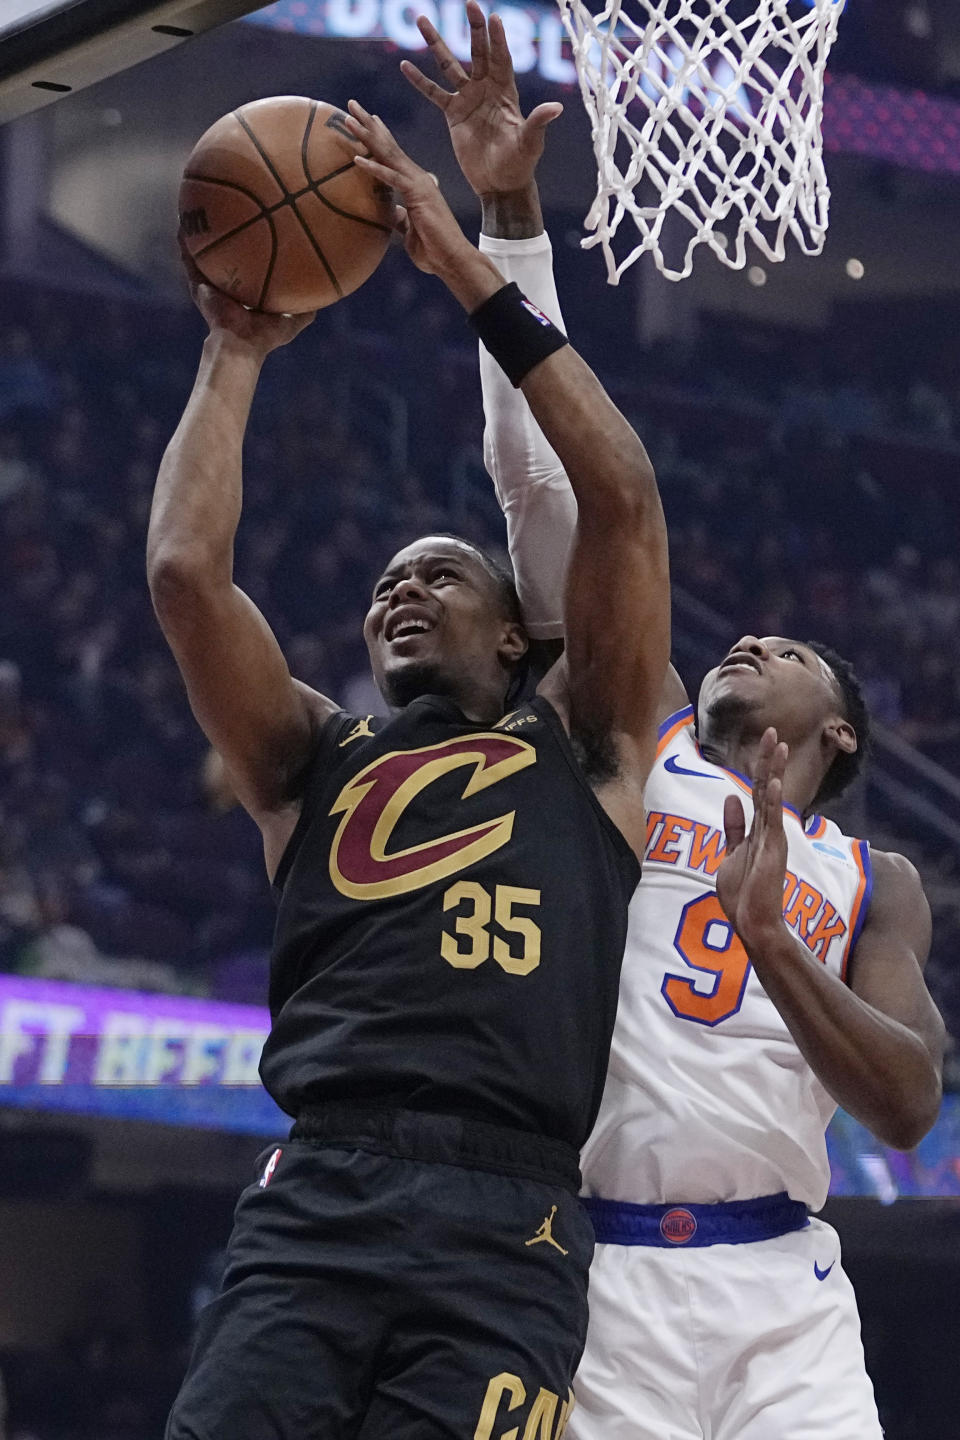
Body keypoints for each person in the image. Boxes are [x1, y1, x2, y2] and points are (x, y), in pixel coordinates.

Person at [402, 8, 946, 1437]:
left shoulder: (874, 880)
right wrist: (510, 215)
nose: (751, 635)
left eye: (796, 650)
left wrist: (777, 941)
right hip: (604, 1278)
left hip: (783, 1285)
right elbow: (548, 492)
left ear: (839, 735)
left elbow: (904, 1107)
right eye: (744, 635)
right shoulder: (632, 743)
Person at [148, 103, 670, 1439]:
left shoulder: (593, 740)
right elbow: (184, 576)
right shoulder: (313, 756)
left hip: (511, 1220)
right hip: (318, 1186)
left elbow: (620, 498)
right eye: (383, 585)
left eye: (437, 573)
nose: (399, 592)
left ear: (515, 629)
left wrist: (471, 269)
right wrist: (234, 346)